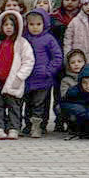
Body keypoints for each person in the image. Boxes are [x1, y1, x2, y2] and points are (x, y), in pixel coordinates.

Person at [0, 10, 33, 140]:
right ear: (0, 26)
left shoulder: (23, 43)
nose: (9, 27)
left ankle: (14, 128)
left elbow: (28, 61)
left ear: (18, 27)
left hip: (13, 80)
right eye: (6, 25)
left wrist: (19, 77)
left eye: (12, 25)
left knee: (14, 105)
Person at [22, 10, 64, 138]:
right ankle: (27, 125)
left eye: (38, 24)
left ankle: (37, 127)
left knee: (39, 104)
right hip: (28, 78)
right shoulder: (24, 38)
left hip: (43, 79)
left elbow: (57, 57)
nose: (35, 27)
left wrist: (48, 70)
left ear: (44, 24)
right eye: (32, 24)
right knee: (27, 103)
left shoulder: (49, 39)